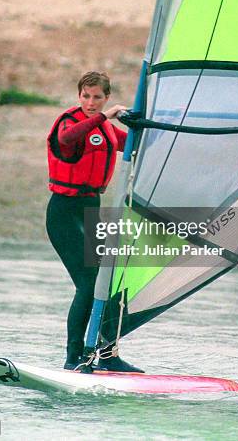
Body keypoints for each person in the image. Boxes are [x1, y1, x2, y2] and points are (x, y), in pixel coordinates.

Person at [46, 71, 143, 373]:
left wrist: (142, 124)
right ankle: (74, 357)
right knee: (88, 284)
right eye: (86, 96)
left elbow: (141, 143)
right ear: (79, 96)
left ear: (106, 97)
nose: (91, 102)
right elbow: (66, 140)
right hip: (63, 214)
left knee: (110, 282)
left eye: (97, 98)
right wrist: (105, 118)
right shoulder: (69, 123)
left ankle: (107, 353)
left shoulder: (108, 131)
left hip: (91, 211)